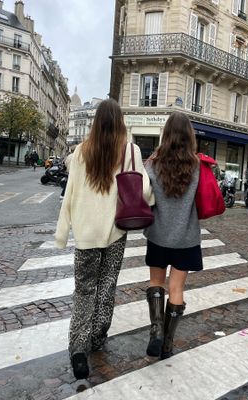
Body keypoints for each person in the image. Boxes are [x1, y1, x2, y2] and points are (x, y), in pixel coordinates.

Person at [54, 99, 154, 380]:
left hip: (85, 234)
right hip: (114, 232)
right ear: (121, 122)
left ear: (96, 123)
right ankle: (97, 336)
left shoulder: (81, 152)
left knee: (84, 290)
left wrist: (62, 234)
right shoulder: (131, 151)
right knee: (107, 286)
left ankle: (77, 349)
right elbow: (144, 192)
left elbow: (69, 195)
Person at [143, 112, 202, 359]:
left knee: (156, 283)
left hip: (158, 234)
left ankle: (156, 331)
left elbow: (145, 197)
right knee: (176, 288)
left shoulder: (152, 165)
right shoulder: (198, 166)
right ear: (189, 136)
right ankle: (167, 344)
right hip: (186, 238)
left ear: (165, 135)